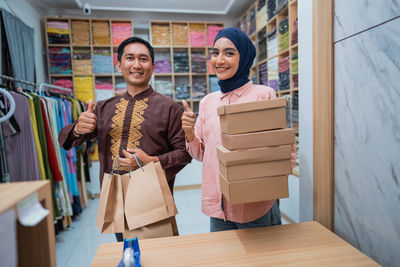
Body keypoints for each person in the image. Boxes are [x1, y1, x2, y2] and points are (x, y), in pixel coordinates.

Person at [59, 36, 192, 240]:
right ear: (119, 64)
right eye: (130, 58)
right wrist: (78, 128)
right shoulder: (103, 108)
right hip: (115, 197)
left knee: (159, 256)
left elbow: (184, 154)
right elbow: (67, 141)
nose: (137, 65)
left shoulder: (169, 107)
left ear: (153, 66)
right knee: (128, 254)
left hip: (151, 196)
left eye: (143, 59)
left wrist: (151, 162)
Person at [181, 27, 296, 232]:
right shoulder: (208, 102)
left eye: (229, 53)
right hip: (218, 207)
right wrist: (189, 131)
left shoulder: (264, 95)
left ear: (244, 57)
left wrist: (264, 183)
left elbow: (284, 152)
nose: (219, 60)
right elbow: (201, 154)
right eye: (215, 53)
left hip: (255, 206)